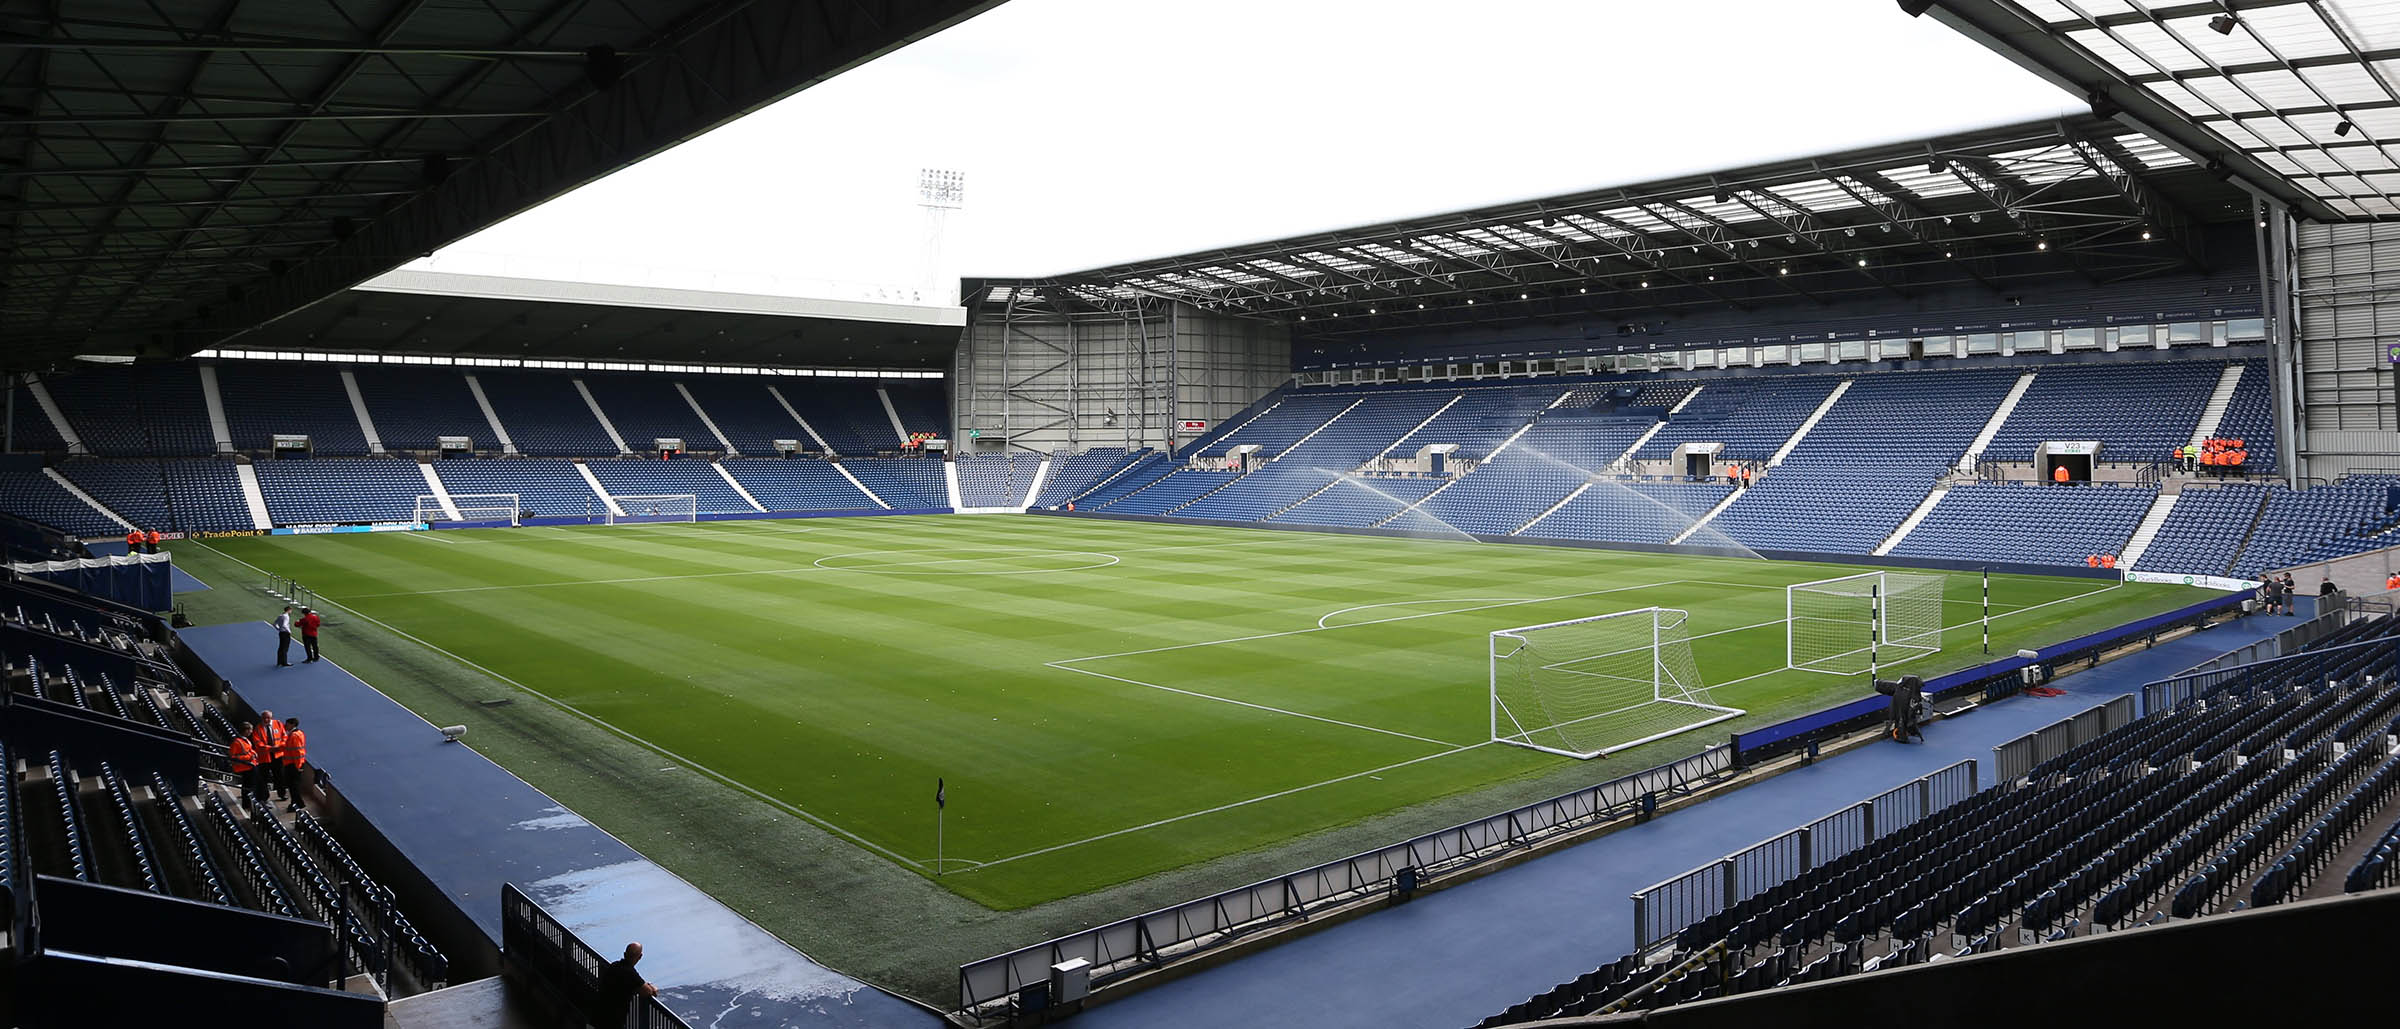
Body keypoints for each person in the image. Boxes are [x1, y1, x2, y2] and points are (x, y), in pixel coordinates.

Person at [595, 942, 659, 1027]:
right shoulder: (630, 974)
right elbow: (648, 991)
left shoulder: (614, 965)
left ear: (624, 954)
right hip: (611, 1022)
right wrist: (653, 987)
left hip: (597, 1016)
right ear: (640, 957)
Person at [1875, 675, 1925, 743]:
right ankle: (1902, 734)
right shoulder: (1912, 693)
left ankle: (1901, 734)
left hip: (1899, 714)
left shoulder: (1900, 689)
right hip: (1902, 715)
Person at [228, 726, 262, 808]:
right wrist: (249, 757)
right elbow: (232, 757)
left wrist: (254, 753)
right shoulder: (236, 742)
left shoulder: (245, 740)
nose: (251, 732)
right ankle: (247, 805)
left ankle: (250, 803)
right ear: (245, 730)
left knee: (251, 786)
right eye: (250, 730)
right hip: (245, 768)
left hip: (250, 766)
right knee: (247, 787)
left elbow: (249, 750)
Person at [280, 716, 308, 811]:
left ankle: (297, 803)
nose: (285, 725)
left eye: (287, 724)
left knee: (293, 786)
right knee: (293, 786)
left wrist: (298, 766)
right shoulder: (298, 733)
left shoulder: (294, 736)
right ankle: (297, 803)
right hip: (293, 764)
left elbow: (297, 753)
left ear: (292, 724)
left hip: (293, 765)